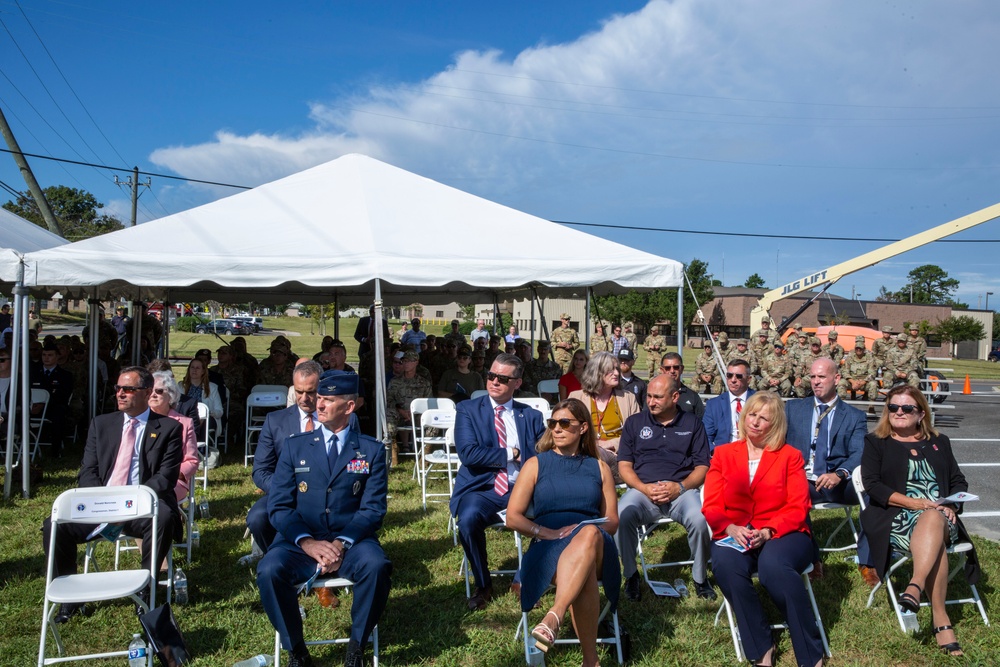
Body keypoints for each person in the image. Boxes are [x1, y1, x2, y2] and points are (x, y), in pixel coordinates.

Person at [257, 370, 391, 667]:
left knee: (377, 566)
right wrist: (307, 542)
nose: (318, 404)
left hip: (352, 541)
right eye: (319, 397)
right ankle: (296, 650)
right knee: (269, 570)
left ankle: (357, 645)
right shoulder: (295, 446)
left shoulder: (370, 450)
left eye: (328, 400)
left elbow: (373, 510)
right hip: (301, 540)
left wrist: (341, 544)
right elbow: (279, 506)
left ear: (349, 406)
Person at [41, 366, 183, 623]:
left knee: (163, 517)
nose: (120, 394)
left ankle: (146, 587)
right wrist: (104, 503)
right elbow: (88, 471)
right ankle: (69, 596)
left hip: (141, 506)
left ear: (148, 392)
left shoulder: (168, 428)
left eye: (128, 389)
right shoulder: (101, 424)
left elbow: (165, 477)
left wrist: (132, 501)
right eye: (118, 388)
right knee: (54, 525)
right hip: (100, 503)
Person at [702, 392, 824, 667]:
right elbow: (711, 504)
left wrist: (769, 531)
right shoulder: (722, 454)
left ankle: (809, 652)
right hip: (735, 532)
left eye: (763, 418)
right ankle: (761, 647)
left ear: (775, 423)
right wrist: (729, 527)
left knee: (774, 568)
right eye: (752, 415)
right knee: (725, 566)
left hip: (784, 532)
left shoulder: (790, 456)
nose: (755, 422)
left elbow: (798, 506)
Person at [860, 385, 979, 658]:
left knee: (933, 518)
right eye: (893, 407)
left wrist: (950, 503)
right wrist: (915, 503)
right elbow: (873, 486)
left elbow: (958, 480)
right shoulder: (876, 442)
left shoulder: (939, 441)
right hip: (896, 517)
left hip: (939, 515)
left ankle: (914, 585)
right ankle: (941, 620)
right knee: (931, 522)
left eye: (906, 408)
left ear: (921, 413)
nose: (898, 412)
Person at [505, 398, 620, 666]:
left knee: (590, 534)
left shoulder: (600, 467)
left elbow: (612, 521)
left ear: (582, 428)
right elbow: (513, 516)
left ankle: (554, 614)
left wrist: (582, 529)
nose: (556, 428)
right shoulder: (536, 464)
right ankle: (591, 661)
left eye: (564, 423)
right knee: (585, 573)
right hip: (549, 546)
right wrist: (543, 531)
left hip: (597, 544)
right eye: (553, 423)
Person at [450, 353, 546, 611]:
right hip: (483, 488)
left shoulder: (532, 416)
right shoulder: (468, 410)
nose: (494, 382)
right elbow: (469, 453)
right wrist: (510, 453)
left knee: (556, 514)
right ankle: (484, 585)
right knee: (468, 520)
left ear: (517, 383)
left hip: (522, 489)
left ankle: (521, 579)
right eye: (491, 375)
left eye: (502, 379)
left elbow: (544, 456)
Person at [616, 375, 715, 602]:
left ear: (674, 397)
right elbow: (624, 465)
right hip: (643, 492)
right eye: (649, 396)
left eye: (658, 397)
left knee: (700, 520)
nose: (651, 402)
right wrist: (643, 487)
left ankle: (700, 577)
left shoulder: (692, 424)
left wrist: (680, 487)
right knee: (622, 515)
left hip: (682, 492)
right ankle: (631, 574)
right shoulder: (635, 423)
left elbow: (702, 466)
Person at [785, 357, 873, 583]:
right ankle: (813, 561)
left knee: (873, 494)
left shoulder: (855, 416)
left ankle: (868, 561)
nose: (815, 381)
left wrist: (840, 473)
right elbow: (778, 442)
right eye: (812, 376)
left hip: (839, 480)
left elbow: (859, 452)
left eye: (821, 377)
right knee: (793, 495)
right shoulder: (794, 409)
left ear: (837, 378)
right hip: (804, 478)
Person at [248, 361, 323, 556]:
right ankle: (279, 555)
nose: (304, 398)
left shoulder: (337, 419)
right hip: (285, 492)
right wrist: (286, 490)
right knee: (257, 517)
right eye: (299, 392)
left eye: (311, 392)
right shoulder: (275, 421)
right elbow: (260, 471)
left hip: (327, 496)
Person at [568, 351, 641, 466]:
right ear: (596, 372)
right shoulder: (576, 397)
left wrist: (611, 443)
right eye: (610, 370)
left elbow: (636, 433)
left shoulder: (628, 398)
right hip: (584, 452)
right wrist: (592, 445)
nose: (616, 373)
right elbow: (569, 430)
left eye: (617, 369)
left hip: (618, 455)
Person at [148, 371, 199, 503]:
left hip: (173, 480)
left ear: (170, 395)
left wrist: (169, 474)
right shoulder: (140, 421)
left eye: (159, 391)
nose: (153, 394)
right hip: (142, 478)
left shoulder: (185, 423)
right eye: (150, 390)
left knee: (158, 497)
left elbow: (192, 461)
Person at [703, 359, 756, 451]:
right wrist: (715, 453)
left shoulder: (760, 401)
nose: (733, 380)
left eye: (739, 376)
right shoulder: (714, 404)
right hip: (723, 454)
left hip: (753, 453)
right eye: (729, 375)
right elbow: (705, 435)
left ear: (748, 379)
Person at [658, 352, 705, 417]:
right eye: (668, 368)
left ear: (682, 369)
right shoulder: (654, 396)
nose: (672, 371)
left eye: (676, 367)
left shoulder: (693, 397)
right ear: (662, 370)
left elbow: (700, 423)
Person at [181, 357, 224, 423]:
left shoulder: (212, 387)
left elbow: (219, 411)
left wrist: (207, 413)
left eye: (197, 368)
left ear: (203, 371)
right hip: (185, 419)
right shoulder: (181, 386)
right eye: (192, 367)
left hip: (205, 421)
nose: (194, 370)